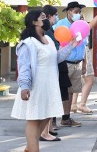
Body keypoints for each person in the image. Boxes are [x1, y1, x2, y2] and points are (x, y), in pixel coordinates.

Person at [11, 10, 78, 152]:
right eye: (42, 18)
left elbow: (57, 58)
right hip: (36, 85)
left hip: (50, 84)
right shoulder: (28, 43)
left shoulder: (49, 41)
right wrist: (24, 86)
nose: (46, 19)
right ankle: (33, 148)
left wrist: (71, 45)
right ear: (34, 22)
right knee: (34, 118)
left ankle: (30, 147)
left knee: (47, 115)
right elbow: (24, 66)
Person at [53, 1, 97, 127]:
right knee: (59, 91)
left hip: (78, 63)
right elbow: (53, 41)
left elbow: (84, 45)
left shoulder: (82, 25)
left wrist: (84, 63)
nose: (78, 14)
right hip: (64, 62)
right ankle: (51, 120)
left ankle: (66, 118)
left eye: (79, 12)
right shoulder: (60, 24)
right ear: (69, 12)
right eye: (76, 12)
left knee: (71, 91)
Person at [40, 5, 61, 141]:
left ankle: (46, 131)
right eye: (55, 15)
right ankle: (43, 132)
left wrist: (70, 45)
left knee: (50, 104)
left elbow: (57, 55)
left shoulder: (49, 34)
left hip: (51, 73)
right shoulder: (44, 35)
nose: (56, 17)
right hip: (43, 76)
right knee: (45, 105)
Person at [71, 15, 95, 115]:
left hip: (77, 54)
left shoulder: (72, 28)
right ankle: (82, 104)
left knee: (77, 80)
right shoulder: (80, 30)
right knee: (89, 80)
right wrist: (85, 61)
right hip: (82, 53)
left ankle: (73, 104)